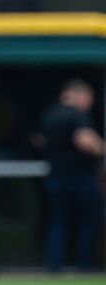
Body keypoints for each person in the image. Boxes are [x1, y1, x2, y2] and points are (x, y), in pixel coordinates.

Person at [37, 78, 105, 272]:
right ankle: (85, 264)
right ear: (79, 95)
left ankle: (54, 265)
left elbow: (38, 141)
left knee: (59, 221)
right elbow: (84, 141)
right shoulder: (77, 115)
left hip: (55, 176)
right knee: (88, 220)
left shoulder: (49, 115)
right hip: (80, 176)